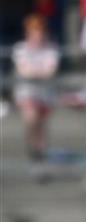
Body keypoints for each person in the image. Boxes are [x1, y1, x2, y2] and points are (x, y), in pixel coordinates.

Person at [12, 14, 59, 159]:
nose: (37, 35)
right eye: (34, 32)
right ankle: (34, 146)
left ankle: (40, 151)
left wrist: (36, 72)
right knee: (31, 118)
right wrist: (39, 72)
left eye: (40, 31)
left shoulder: (51, 48)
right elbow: (24, 71)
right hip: (27, 92)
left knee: (41, 126)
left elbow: (50, 71)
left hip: (45, 94)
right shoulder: (20, 49)